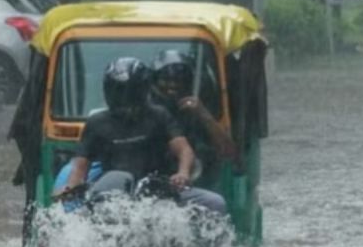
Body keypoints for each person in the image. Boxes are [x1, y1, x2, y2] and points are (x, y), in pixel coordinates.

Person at [60, 57, 195, 200]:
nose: (123, 97)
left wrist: (183, 173)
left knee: (215, 202)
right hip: (112, 195)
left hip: (157, 192)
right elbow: (80, 166)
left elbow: (183, 149)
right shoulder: (96, 122)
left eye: (128, 92)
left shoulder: (159, 115)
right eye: (118, 91)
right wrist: (70, 188)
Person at [149, 49, 237, 214]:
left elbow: (229, 153)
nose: (172, 86)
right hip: (152, 183)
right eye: (166, 80)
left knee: (216, 203)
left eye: (178, 81)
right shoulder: (144, 112)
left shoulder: (200, 113)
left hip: (200, 183)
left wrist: (203, 114)